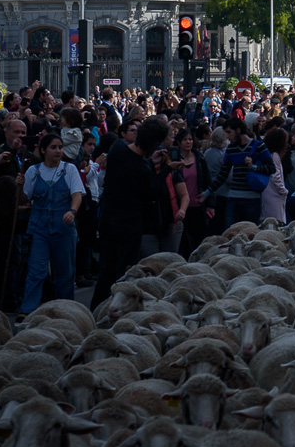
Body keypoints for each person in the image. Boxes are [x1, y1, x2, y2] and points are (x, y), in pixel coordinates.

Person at [91, 120, 169, 309]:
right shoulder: (141, 170)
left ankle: (97, 308)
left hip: (107, 218)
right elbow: (151, 192)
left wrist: (150, 161)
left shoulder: (118, 148)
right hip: (128, 224)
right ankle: (118, 307)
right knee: (124, 271)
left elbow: (131, 164)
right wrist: (165, 169)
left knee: (106, 269)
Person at [17, 134, 84, 313]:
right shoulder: (33, 171)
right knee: (36, 271)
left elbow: (77, 195)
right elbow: (24, 199)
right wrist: (19, 186)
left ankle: (66, 311)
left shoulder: (69, 169)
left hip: (64, 228)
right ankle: (27, 311)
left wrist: (72, 211)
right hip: (39, 228)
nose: (58, 151)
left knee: (65, 272)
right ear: (43, 150)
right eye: (53, 147)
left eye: (60, 147)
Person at [200, 118, 273, 227]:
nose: (227, 136)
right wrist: (206, 193)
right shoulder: (231, 149)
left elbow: (271, 168)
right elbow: (223, 174)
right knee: (231, 233)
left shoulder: (259, 146)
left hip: (252, 199)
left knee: (250, 233)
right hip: (233, 198)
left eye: (229, 132)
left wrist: (254, 167)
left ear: (238, 130)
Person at [172, 129, 211, 259]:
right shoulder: (173, 159)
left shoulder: (200, 158)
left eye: (190, 139)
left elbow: (207, 181)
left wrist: (210, 202)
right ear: (179, 142)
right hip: (180, 207)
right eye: (185, 140)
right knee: (183, 240)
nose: (188, 142)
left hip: (198, 204)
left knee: (198, 237)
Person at [261, 128, 290, 224]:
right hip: (274, 195)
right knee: (275, 222)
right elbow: (275, 176)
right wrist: (283, 191)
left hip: (268, 192)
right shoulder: (275, 156)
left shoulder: (268, 154)